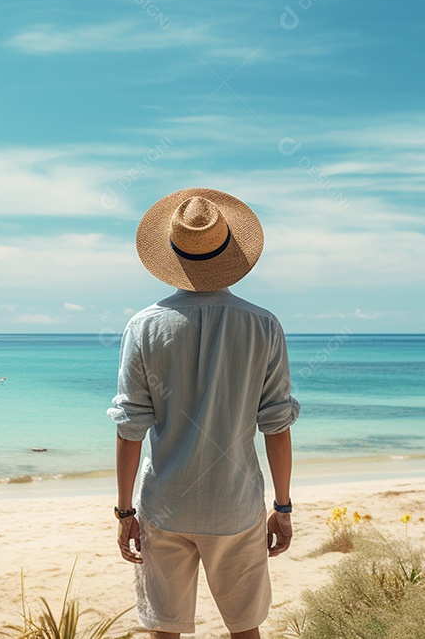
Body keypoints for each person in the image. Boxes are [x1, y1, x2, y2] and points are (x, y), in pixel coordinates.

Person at [108, 188, 300, 639]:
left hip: (167, 504)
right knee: (245, 629)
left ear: (172, 254)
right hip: (235, 504)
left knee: (165, 631)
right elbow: (276, 426)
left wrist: (124, 512)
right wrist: (283, 508)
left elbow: (129, 430)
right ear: (229, 250)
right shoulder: (263, 324)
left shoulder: (145, 327)